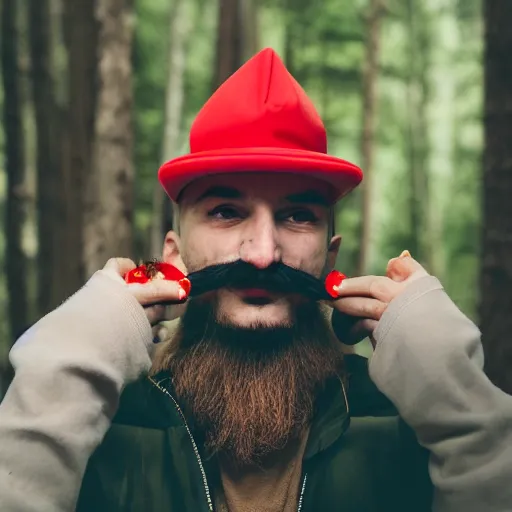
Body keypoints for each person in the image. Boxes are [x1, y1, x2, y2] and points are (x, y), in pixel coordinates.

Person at [0, 47, 511, 512]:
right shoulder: (98, 421)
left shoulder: (409, 430)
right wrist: (68, 360)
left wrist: (461, 403)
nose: (263, 254)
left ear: (329, 257)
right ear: (173, 256)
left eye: (297, 216)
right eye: (226, 211)